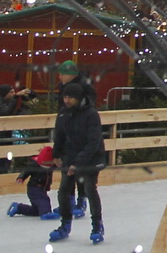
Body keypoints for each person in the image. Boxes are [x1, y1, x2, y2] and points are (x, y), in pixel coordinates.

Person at [48, 79, 106, 244]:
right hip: (70, 156)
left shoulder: (91, 114)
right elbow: (59, 135)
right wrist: (56, 154)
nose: (66, 100)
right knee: (64, 191)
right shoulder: (63, 113)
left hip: (91, 158)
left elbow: (93, 142)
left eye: (70, 98)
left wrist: (78, 163)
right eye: (65, 97)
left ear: (79, 98)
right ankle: (65, 225)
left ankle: (97, 226)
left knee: (89, 188)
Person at [7, 145, 56, 219]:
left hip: (42, 189)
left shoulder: (52, 163)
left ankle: (19, 208)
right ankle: (46, 213)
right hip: (34, 188)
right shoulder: (34, 165)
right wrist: (21, 177)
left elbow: (60, 164)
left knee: (36, 210)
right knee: (43, 200)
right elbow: (26, 171)